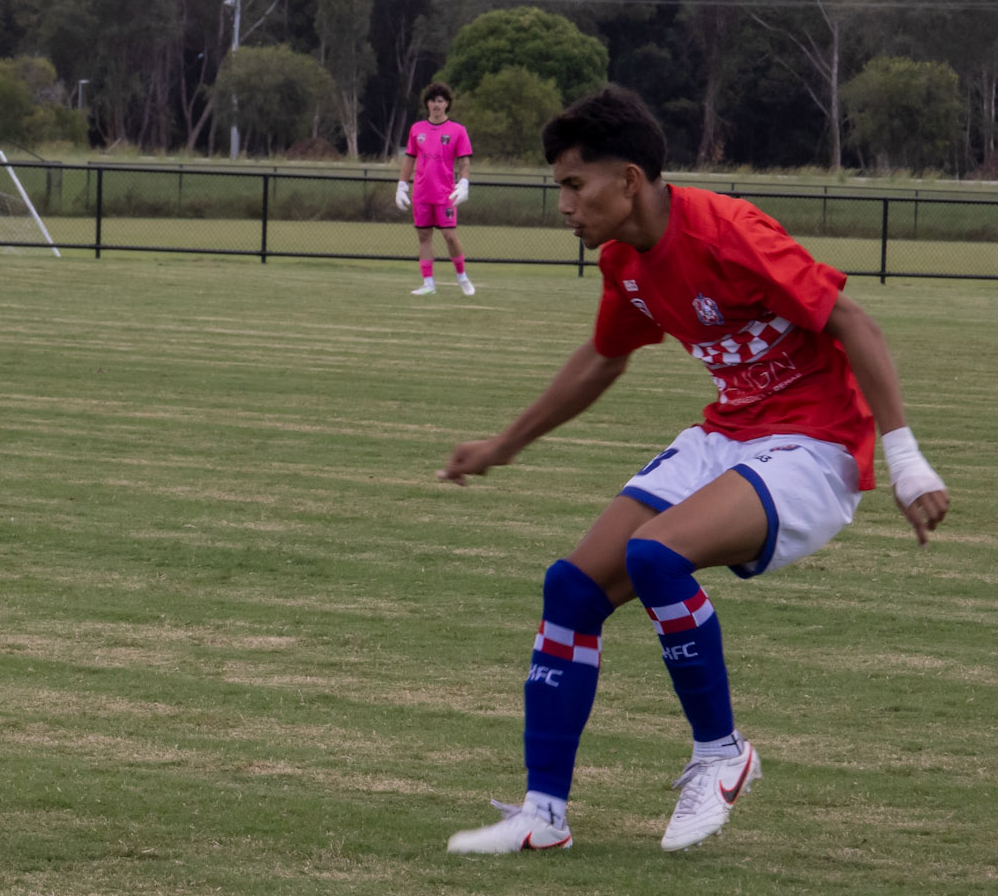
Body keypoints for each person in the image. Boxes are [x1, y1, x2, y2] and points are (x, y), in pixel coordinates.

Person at [438, 87, 950, 854]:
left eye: (575, 186)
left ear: (631, 180)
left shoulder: (727, 231)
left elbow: (852, 320)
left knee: (654, 554)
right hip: (730, 434)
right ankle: (543, 814)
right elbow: (604, 357)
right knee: (571, 588)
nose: (565, 206)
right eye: (561, 190)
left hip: (815, 445)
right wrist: (504, 445)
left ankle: (723, 753)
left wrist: (905, 460)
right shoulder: (625, 259)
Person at [397, 82, 476, 296]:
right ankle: (428, 283)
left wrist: (464, 182)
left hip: (445, 193)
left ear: (447, 104)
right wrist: (402, 185)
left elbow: (464, 161)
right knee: (423, 236)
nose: (436, 104)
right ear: (427, 104)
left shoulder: (458, 130)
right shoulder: (417, 129)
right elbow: (409, 159)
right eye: (432, 101)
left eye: (440, 101)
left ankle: (462, 277)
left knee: (450, 235)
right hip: (422, 193)